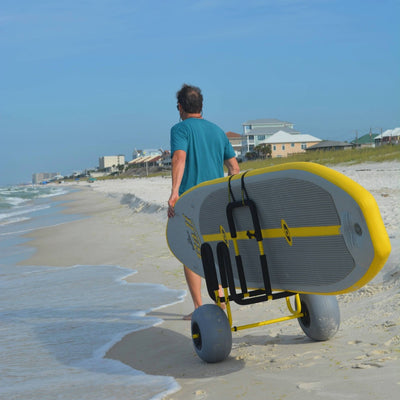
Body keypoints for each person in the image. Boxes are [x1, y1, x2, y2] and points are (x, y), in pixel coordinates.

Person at [167, 84, 240, 320]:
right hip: (216, 201)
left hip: (191, 200)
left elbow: (179, 157)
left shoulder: (180, 129)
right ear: (201, 106)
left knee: (191, 251)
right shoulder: (218, 131)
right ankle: (220, 304)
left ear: (180, 107)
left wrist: (174, 192)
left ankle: (199, 308)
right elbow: (234, 167)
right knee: (215, 251)